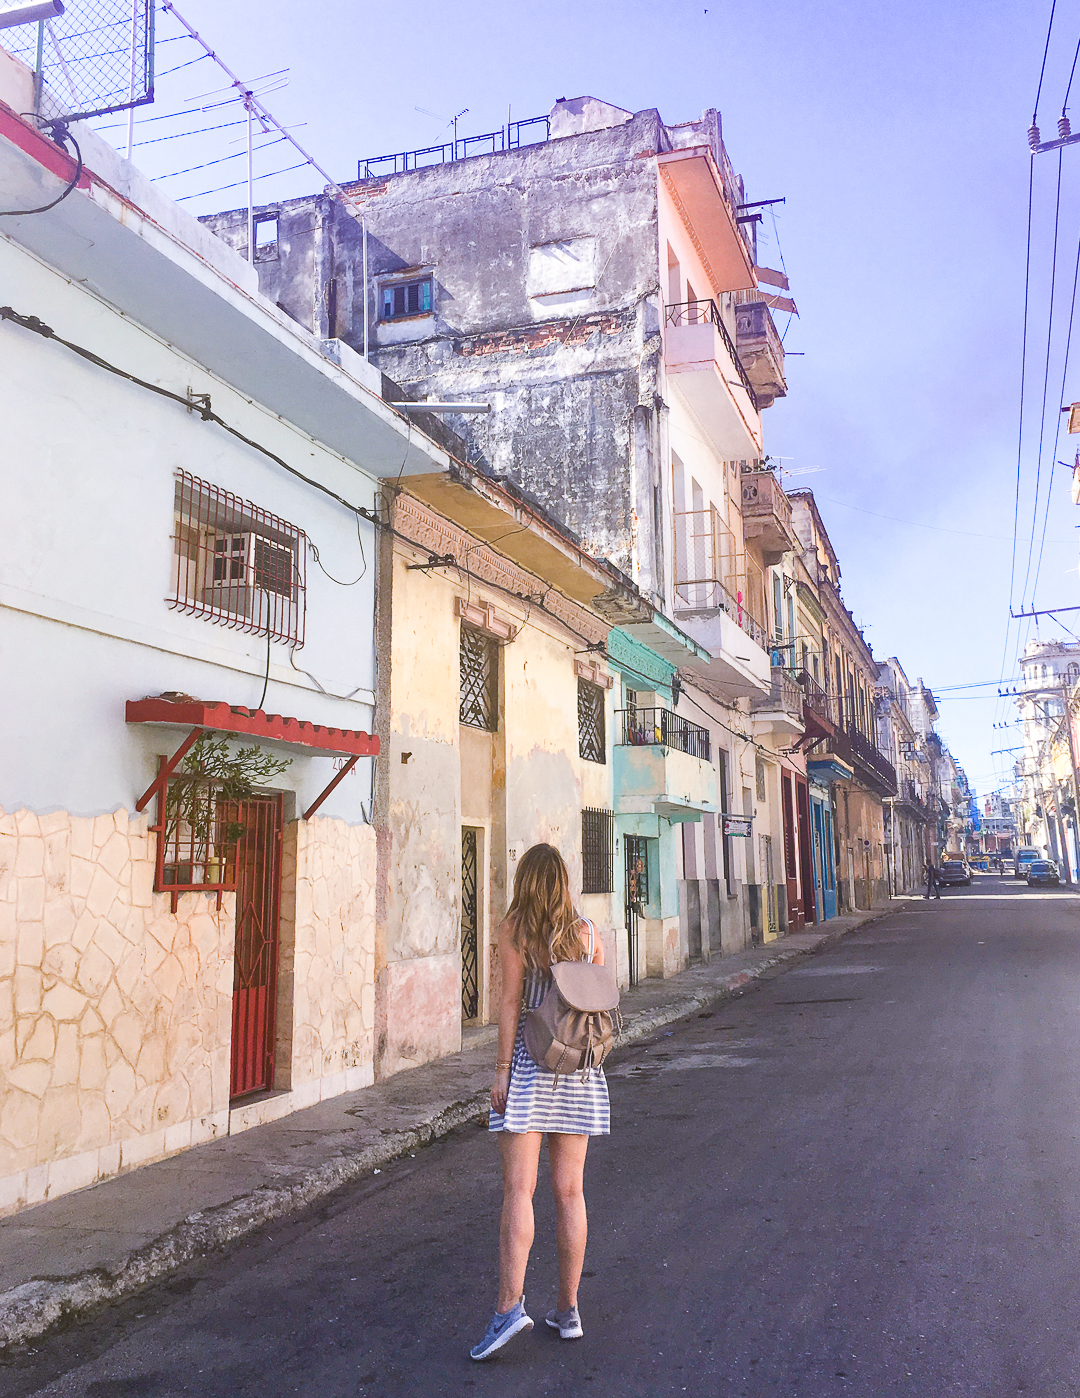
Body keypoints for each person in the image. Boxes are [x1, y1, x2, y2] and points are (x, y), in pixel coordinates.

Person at [470, 843, 610, 1361]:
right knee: (570, 1193)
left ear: (526, 880)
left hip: (530, 1068)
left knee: (518, 1191)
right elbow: (598, 1001)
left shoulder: (516, 931)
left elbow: (509, 1004)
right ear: (563, 881)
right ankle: (568, 1309)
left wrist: (502, 1071)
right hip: (577, 1071)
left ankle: (509, 1309)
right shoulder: (590, 934)